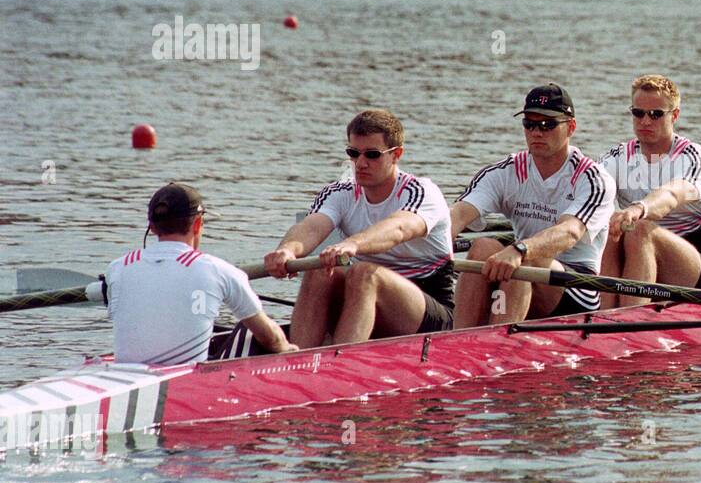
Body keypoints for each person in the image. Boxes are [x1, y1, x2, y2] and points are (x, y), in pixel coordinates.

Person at [263, 109, 456, 348]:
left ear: (396, 155)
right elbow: (312, 226)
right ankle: (296, 359)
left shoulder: (421, 192)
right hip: (363, 299)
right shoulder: (340, 192)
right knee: (319, 269)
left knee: (364, 274)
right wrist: (287, 251)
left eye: (372, 155)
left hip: (429, 306)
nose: (361, 163)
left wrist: (353, 243)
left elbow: (399, 228)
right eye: (354, 153)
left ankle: (340, 365)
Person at [450, 84, 615, 326]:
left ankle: (499, 343)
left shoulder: (592, 179)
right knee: (483, 247)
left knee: (526, 259)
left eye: (547, 124)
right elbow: (458, 215)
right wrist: (434, 243)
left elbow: (569, 232)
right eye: (530, 124)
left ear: (571, 128)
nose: (537, 132)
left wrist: (520, 250)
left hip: (578, 287)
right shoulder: (506, 171)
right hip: (520, 273)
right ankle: (458, 339)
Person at [106, 183, 295, 365]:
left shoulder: (117, 268)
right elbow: (271, 339)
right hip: (186, 381)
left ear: (152, 227)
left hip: (124, 372)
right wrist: (290, 351)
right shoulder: (218, 270)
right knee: (250, 334)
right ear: (197, 224)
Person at [599, 74, 701, 308]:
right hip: (641, 261)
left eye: (656, 114)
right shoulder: (617, 157)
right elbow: (591, 195)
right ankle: (600, 318)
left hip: (700, 272)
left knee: (640, 229)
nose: (645, 121)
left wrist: (640, 208)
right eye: (638, 113)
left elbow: (671, 194)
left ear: (674, 115)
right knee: (606, 225)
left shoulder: (692, 157)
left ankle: (629, 318)